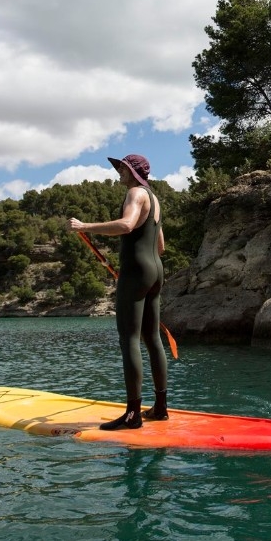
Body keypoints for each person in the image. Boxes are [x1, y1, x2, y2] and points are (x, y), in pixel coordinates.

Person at [68, 153, 169, 430]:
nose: (118, 173)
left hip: (136, 272)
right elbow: (160, 246)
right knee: (152, 339)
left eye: (122, 168)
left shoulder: (135, 194)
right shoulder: (155, 198)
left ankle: (132, 415)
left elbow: (126, 225)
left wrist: (85, 226)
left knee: (129, 339)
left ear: (133, 171)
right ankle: (160, 408)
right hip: (156, 270)